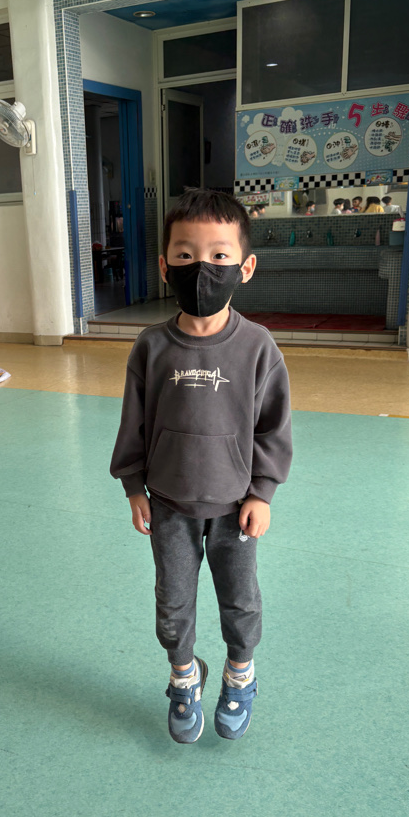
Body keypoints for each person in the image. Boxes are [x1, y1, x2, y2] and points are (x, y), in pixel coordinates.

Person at [110, 188, 292, 744]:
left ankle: (241, 673)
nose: (202, 268)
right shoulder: (151, 347)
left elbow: (273, 426)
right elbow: (134, 422)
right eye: (186, 255)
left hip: (236, 508)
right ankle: (184, 674)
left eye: (219, 256)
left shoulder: (258, 347)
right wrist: (133, 486)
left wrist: (262, 491)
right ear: (165, 266)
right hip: (168, 504)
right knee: (172, 603)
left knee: (240, 600)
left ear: (245, 267)